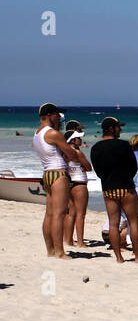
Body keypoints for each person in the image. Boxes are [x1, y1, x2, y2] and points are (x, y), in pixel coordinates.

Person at [90, 116, 138, 263]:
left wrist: (108, 179)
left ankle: (119, 258)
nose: (120, 129)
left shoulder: (95, 148)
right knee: (134, 222)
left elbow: (98, 171)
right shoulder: (124, 145)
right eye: (118, 127)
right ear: (111, 129)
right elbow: (134, 167)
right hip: (126, 187)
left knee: (113, 223)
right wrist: (126, 177)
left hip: (108, 189)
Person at [32, 103, 80, 258]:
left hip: (46, 174)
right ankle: (60, 251)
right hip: (59, 174)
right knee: (59, 214)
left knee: (49, 214)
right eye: (57, 115)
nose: (59, 118)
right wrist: (68, 154)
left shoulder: (37, 133)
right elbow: (72, 155)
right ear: (50, 115)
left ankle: (51, 250)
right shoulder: (53, 133)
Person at [63, 121, 91, 247]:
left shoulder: (64, 152)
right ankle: (80, 242)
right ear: (72, 140)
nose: (80, 140)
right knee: (81, 214)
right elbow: (89, 167)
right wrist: (84, 167)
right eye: (78, 138)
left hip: (69, 183)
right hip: (80, 183)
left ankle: (68, 240)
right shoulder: (77, 153)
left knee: (71, 213)